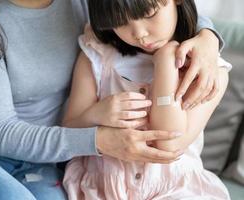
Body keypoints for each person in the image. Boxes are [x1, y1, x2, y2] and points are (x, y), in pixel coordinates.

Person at [0, 0, 226, 199]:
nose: (139, 33)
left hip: (43, 156)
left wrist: (207, 37)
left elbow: (145, 8)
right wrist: (100, 140)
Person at [62, 0, 232, 199]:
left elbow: (169, 144)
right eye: (120, 22)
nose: (139, 34)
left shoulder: (209, 72)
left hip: (174, 189)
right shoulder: (96, 55)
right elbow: (69, 130)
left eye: (149, 14)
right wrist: (96, 114)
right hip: (100, 188)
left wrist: (166, 63)